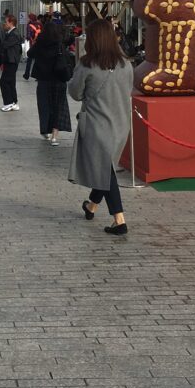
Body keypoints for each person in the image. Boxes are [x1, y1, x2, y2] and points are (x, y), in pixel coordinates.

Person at [68, 18, 134, 235]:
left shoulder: (87, 64)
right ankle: (91, 206)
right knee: (105, 168)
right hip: (122, 124)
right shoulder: (126, 64)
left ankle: (119, 220)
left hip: (97, 125)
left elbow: (76, 93)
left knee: (105, 169)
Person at [27, 19, 73, 145]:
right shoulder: (59, 44)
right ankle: (54, 135)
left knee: (44, 106)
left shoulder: (40, 43)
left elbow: (29, 53)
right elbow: (67, 59)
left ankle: (45, 130)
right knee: (58, 107)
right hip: (58, 80)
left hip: (43, 81)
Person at [0, 15, 22, 111]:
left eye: (6, 22)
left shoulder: (14, 34)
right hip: (10, 60)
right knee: (11, 81)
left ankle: (8, 103)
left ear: (11, 22)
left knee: (4, 81)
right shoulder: (10, 33)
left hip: (11, 61)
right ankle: (13, 102)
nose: (5, 24)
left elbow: (4, 45)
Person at [22, 15, 41, 81]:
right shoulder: (39, 24)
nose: (27, 19)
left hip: (32, 44)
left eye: (28, 18)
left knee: (29, 60)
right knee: (38, 60)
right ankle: (38, 76)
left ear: (30, 19)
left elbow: (28, 35)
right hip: (39, 44)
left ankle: (26, 74)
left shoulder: (29, 25)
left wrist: (31, 40)